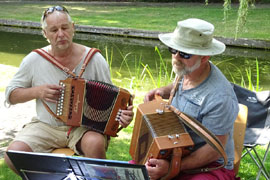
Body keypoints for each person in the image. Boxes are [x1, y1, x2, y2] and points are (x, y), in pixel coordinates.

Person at [4, 5, 133, 174]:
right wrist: (37, 91)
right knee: (13, 154)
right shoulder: (34, 59)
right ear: (45, 34)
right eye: (54, 30)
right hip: (46, 126)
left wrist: (123, 116)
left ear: (73, 28)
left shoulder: (94, 59)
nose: (60, 34)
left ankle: (100, 178)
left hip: (82, 128)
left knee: (95, 143)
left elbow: (113, 101)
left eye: (65, 27)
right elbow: (11, 95)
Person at [144, 18, 239, 180]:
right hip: (174, 149)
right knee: (131, 171)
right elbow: (178, 85)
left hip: (208, 165)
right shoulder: (187, 69)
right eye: (173, 50)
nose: (176, 57)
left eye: (185, 53)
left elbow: (214, 150)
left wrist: (172, 167)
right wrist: (164, 90)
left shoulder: (220, 97)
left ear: (204, 57)